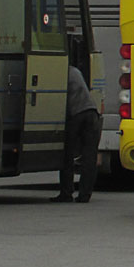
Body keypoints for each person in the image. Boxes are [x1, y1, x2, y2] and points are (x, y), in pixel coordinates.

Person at [51, 64, 101, 203]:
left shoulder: (60, 74)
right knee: (89, 157)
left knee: (67, 155)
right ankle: (85, 195)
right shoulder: (75, 71)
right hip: (92, 112)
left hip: (77, 114)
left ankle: (66, 192)